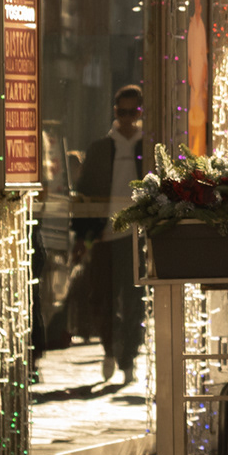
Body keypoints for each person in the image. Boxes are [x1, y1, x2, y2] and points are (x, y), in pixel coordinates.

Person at [72, 85, 144, 386]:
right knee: (101, 297)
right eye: (122, 112)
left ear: (139, 112)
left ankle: (128, 358)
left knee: (133, 299)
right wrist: (83, 237)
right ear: (115, 113)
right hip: (104, 233)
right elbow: (85, 193)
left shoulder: (147, 146)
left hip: (136, 235)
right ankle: (110, 350)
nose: (127, 118)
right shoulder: (101, 148)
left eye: (133, 112)